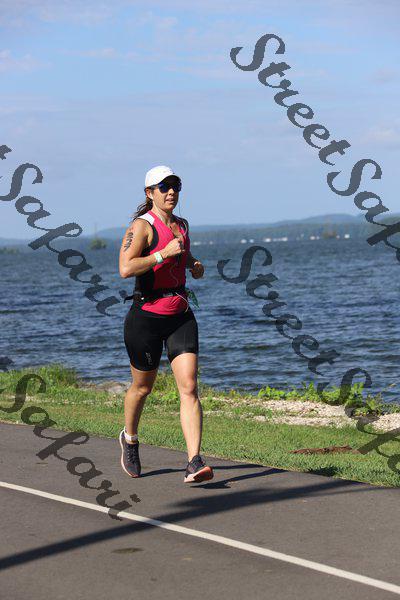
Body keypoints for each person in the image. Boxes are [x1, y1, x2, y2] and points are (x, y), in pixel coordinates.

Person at [118, 165, 214, 484]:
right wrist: (162, 255)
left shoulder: (182, 225)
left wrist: (193, 264)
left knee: (189, 387)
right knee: (142, 387)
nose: (171, 191)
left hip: (180, 314)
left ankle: (194, 461)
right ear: (150, 193)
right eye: (164, 187)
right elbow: (125, 268)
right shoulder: (141, 227)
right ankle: (130, 439)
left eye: (176, 186)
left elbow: (182, 254)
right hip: (146, 317)